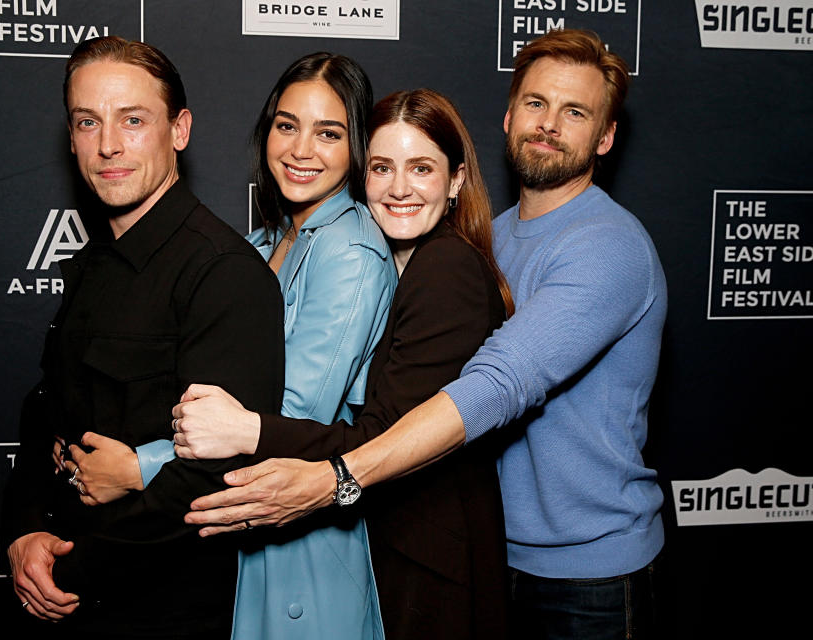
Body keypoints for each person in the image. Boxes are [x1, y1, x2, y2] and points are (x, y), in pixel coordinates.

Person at [184, 29, 668, 640]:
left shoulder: (605, 246)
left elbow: (497, 385)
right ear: (509, 114)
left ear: (605, 136)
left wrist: (334, 477)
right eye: (536, 103)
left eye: (575, 111)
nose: (548, 124)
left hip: (584, 572)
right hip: (493, 544)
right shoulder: (492, 236)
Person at [56, 52, 396, 640]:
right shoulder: (264, 240)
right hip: (236, 530)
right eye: (287, 126)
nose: (301, 150)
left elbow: (293, 418)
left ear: (356, 146)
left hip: (298, 540)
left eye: (330, 132)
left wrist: (140, 466)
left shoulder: (351, 250)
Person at [171, 88, 515, 639]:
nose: (399, 188)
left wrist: (247, 429)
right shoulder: (404, 268)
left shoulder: (446, 266)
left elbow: (382, 437)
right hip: (401, 551)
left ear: (454, 182)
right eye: (382, 167)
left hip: (429, 569)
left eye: (421, 168)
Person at [0, 36, 285, 638]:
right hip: (65, 595)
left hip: (159, 610)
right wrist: (25, 531)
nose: (108, 145)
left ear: (179, 130)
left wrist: (69, 565)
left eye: (133, 120)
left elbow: (216, 481)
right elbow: (44, 411)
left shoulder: (223, 274)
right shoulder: (93, 261)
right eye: (88, 121)